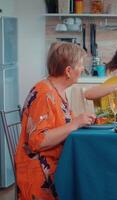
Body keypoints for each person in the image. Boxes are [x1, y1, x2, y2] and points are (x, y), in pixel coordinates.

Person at [15, 42, 96, 199]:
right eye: (80, 65)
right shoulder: (44, 94)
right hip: (40, 175)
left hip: (57, 166)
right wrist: (74, 124)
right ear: (68, 71)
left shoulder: (58, 91)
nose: (83, 70)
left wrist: (79, 121)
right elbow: (37, 141)